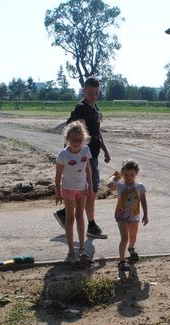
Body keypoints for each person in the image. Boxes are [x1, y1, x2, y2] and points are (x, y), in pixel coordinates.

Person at [53, 77, 111, 239]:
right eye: (90, 93)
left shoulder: (94, 108)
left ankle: (66, 214)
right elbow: (69, 130)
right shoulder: (80, 108)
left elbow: (97, 132)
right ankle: (90, 225)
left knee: (88, 190)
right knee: (90, 191)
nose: (93, 96)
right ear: (84, 91)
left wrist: (105, 150)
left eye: (96, 93)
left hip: (93, 154)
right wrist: (72, 153)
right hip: (85, 157)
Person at [55, 121, 93, 264]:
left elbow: (88, 169)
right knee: (70, 218)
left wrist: (90, 186)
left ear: (84, 138)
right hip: (68, 189)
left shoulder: (85, 150)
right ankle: (71, 251)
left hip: (82, 188)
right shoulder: (63, 155)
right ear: (67, 139)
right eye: (74, 140)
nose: (77, 143)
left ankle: (82, 248)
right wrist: (58, 192)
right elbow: (58, 176)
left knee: (80, 216)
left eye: (80, 140)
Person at [107, 159, 148, 271]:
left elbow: (143, 201)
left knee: (133, 236)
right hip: (121, 215)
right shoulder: (120, 185)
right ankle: (121, 261)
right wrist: (117, 175)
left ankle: (131, 248)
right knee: (124, 237)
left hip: (134, 215)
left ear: (136, 174)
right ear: (122, 174)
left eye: (131, 175)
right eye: (126, 175)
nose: (129, 177)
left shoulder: (140, 186)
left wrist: (146, 215)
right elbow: (109, 185)